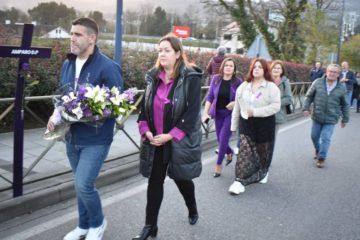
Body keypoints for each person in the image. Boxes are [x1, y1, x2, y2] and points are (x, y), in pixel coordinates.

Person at [47, 18, 122, 240]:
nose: (72, 38)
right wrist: (55, 114)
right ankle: (83, 225)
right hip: (71, 137)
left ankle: (98, 224)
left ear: (92, 38)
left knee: (84, 184)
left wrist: (89, 110)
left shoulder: (108, 67)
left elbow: (118, 105)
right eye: (71, 33)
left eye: (78, 34)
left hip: (96, 138)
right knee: (79, 185)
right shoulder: (67, 64)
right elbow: (62, 96)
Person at [134, 33, 203, 240]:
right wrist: (145, 128)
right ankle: (150, 227)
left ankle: (192, 207)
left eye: (166, 50)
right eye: (159, 50)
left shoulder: (190, 78)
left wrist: (170, 135)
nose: (161, 53)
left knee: (183, 180)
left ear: (178, 53)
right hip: (155, 140)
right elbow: (145, 107)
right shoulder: (153, 76)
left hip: (177, 140)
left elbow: (191, 115)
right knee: (155, 182)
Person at [228, 58, 280, 195]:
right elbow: (237, 107)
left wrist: (255, 112)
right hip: (246, 124)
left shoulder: (271, 87)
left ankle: (263, 172)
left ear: (264, 70)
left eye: (260, 67)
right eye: (254, 67)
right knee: (244, 152)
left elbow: (276, 106)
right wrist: (233, 126)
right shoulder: (244, 86)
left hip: (264, 124)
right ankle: (239, 181)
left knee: (263, 153)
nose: (256, 69)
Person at [303, 64, 349, 168]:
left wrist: (345, 119)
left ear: (338, 75)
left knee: (326, 138)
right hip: (317, 116)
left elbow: (345, 105)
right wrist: (306, 108)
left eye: (335, 72)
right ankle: (318, 149)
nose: (332, 74)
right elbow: (309, 96)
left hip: (331, 118)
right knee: (314, 136)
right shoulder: (317, 82)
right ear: (326, 72)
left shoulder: (341, 88)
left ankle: (321, 158)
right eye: (330, 71)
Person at [202, 58, 242, 177]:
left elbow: (243, 98)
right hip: (218, 113)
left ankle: (218, 165)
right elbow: (209, 97)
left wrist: (235, 103)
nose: (229, 67)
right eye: (226, 65)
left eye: (231, 66)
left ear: (234, 69)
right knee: (220, 140)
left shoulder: (238, 82)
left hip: (230, 115)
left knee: (223, 139)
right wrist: (205, 113)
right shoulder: (215, 79)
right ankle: (229, 152)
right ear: (222, 67)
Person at [270, 60, 293, 131]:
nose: (276, 70)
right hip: (264, 113)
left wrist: (274, 103)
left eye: (278, 68)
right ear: (271, 69)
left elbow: (289, 98)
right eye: (274, 68)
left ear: (282, 71)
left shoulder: (285, 82)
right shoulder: (266, 80)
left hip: (277, 114)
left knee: (272, 138)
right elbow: (259, 94)